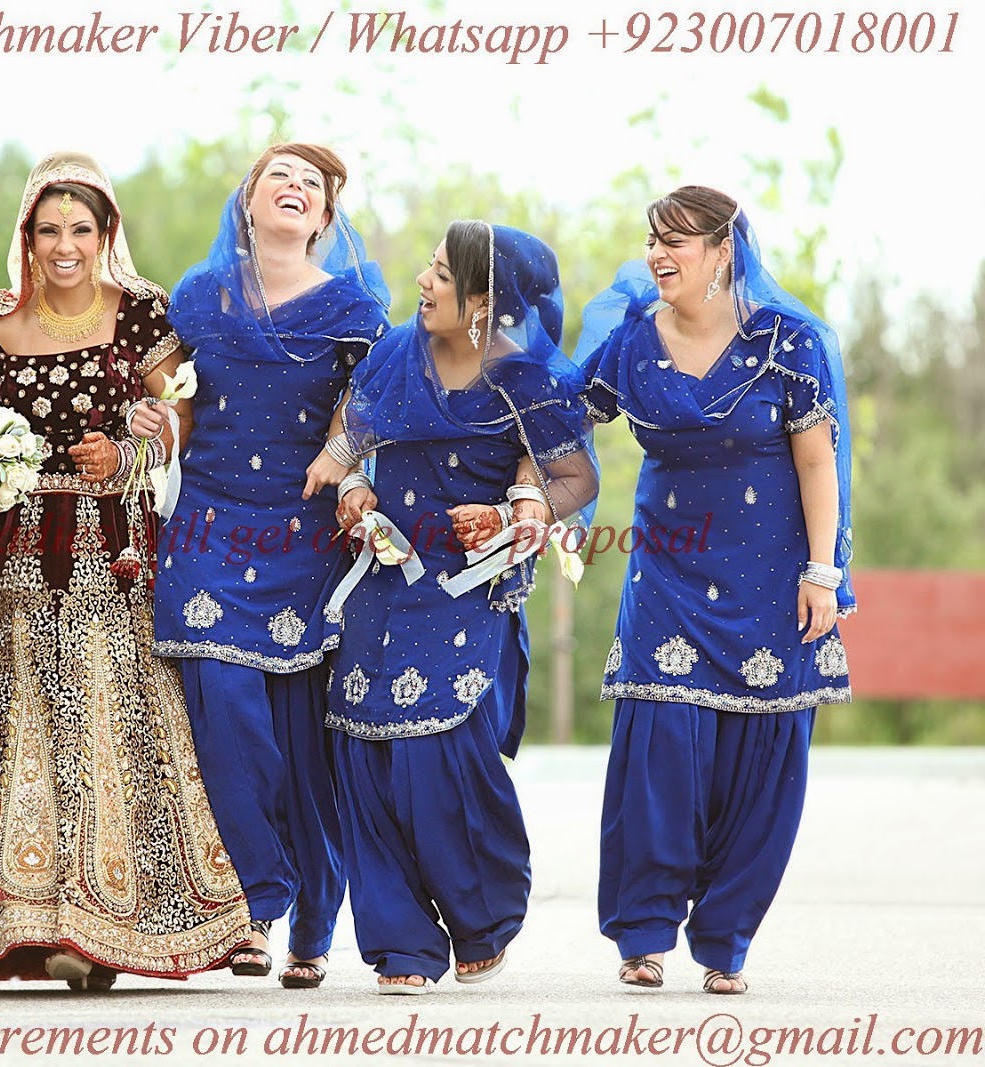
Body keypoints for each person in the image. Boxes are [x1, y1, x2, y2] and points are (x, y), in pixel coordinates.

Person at [0, 151, 250, 992]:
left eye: (81, 228)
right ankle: (30, 925)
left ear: (106, 231)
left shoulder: (140, 310)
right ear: (28, 236)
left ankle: (110, 918)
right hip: (23, 554)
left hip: (115, 548)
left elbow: (179, 411)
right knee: (30, 721)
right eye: (49, 230)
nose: (65, 246)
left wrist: (129, 449)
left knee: (115, 718)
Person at [576, 185, 854, 995]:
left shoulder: (787, 342)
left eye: (677, 242)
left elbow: (817, 461)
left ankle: (725, 939)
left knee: (761, 762)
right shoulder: (631, 342)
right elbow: (560, 421)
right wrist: (531, 497)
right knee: (659, 750)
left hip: (773, 578)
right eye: (652, 240)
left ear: (723, 251)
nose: (657, 255)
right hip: (666, 572)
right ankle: (644, 932)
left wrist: (823, 571)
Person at [323, 222, 597, 993]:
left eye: (442, 274)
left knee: (440, 750)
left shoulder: (528, 379)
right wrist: (353, 488)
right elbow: (348, 432)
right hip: (384, 575)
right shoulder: (393, 354)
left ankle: (481, 913)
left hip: (468, 584)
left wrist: (516, 508)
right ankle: (402, 942)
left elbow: (568, 476)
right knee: (364, 748)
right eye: (430, 267)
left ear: (484, 301)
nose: (422, 281)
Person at [153, 144, 391, 989]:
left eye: (311, 185)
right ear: (248, 202)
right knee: (223, 708)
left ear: (324, 217)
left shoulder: (354, 307)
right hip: (209, 528)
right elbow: (173, 399)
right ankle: (256, 901)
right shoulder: (199, 295)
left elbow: (380, 400)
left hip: (305, 532)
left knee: (303, 742)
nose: (295, 188)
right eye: (278, 177)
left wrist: (343, 452)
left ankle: (313, 928)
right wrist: (156, 427)